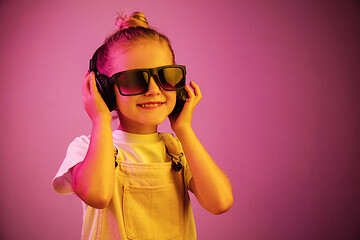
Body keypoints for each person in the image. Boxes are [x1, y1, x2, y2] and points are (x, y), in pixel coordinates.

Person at [52, 11, 233, 240]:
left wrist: (184, 130)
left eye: (166, 76)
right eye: (135, 79)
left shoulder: (177, 150)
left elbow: (220, 202)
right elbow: (97, 194)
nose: (154, 90)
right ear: (103, 89)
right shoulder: (86, 148)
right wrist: (100, 119)